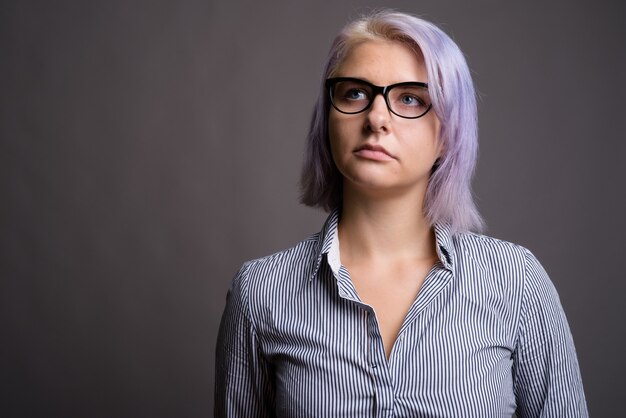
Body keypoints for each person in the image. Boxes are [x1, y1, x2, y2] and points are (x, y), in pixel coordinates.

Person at [214, 10, 588, 417]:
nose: (376, 119)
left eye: (410, 98)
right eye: (355, 93)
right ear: (328, 119)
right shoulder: (260, 293)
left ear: (449, 132)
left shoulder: (516, 283)